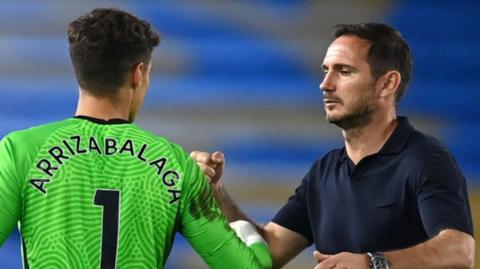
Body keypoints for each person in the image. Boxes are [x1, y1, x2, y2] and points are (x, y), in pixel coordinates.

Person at [0, 8, 272, 269]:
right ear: (138, 73)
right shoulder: (176, 165)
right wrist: (248, 231)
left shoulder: (21, 151)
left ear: (79, 69)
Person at [191, 22, 475, 269]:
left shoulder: (425, 159)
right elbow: (270, 251)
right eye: (326, 70)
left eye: (344, 71)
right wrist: (217, 193)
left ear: (387, 83)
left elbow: (459, 250)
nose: (325, 84)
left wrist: (371, 262)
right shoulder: (324, 172)